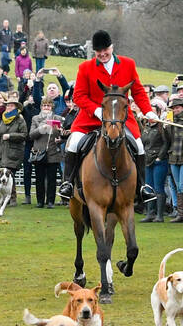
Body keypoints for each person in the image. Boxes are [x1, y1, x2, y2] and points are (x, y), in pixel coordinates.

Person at [57, 30, 157, 203]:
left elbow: (139, 91)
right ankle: (68, 184)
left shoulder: (128, 64)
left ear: (112, 47)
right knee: (73, 143)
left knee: (139, 146)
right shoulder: (85, 67)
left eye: (106, 51)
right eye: (98, 52)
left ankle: (142, 186)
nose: (103, 54)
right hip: (90, 120)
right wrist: (96, 110)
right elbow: (79, 96)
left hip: (120, 120)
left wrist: (148, 111)